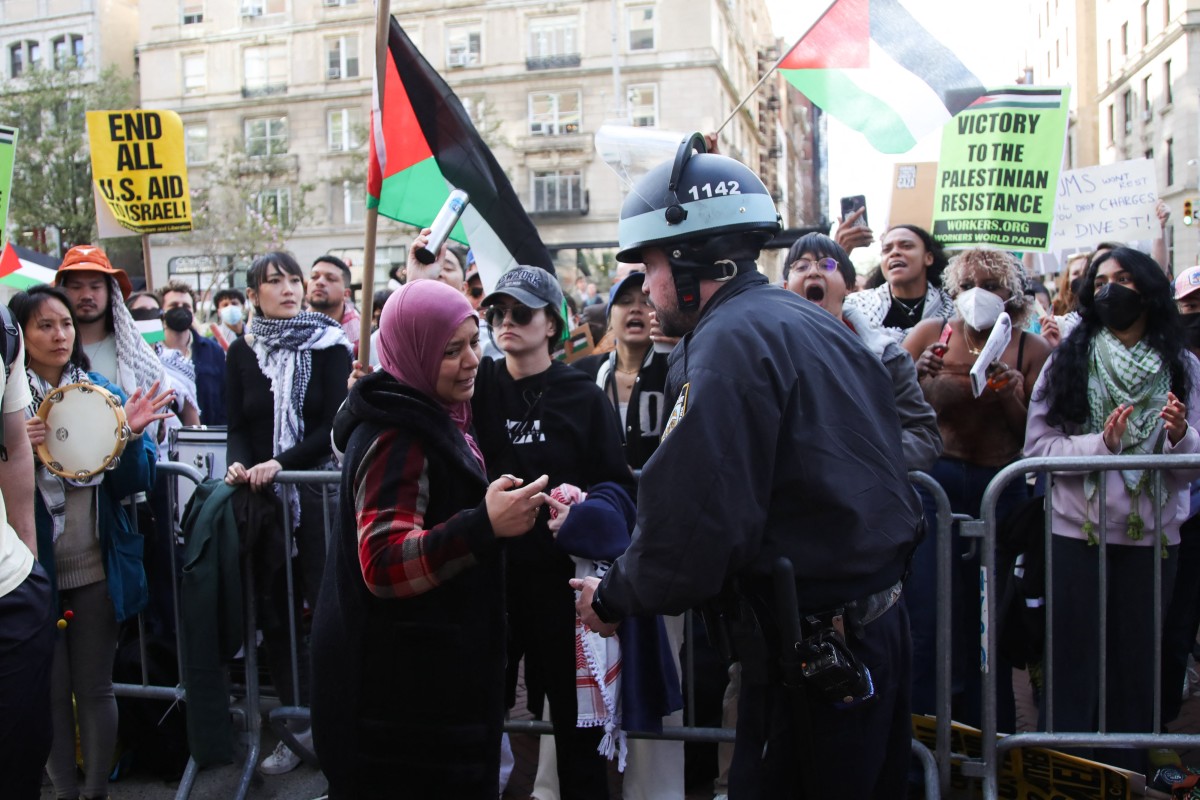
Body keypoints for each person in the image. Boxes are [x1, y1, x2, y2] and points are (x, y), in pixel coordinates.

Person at [573, 136, 921, 798]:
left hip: (816, 652)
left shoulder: (726, 344)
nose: (644, 289)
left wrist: (616, 595)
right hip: (866, 633)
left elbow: (697, 514)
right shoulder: (802, 321)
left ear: (690, 257)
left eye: (648, 266)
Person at [312, 280, 549, 799]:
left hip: (420, 700)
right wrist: (484, 525)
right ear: (415, 350)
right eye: (450, 350)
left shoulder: (428, 414)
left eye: (472, 341)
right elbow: (384, 562)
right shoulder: (399, 435)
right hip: (402, 714)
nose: (471, 360)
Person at [471, 266, 646, 800]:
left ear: (552, 324)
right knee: (478, 722)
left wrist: (583, 513)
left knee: (577, 734)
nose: (507, 322)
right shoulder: (475, 389)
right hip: (491, 583)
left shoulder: (581, 395)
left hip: (561, 588)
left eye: (522, 312)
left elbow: (617, 487)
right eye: (498, 312)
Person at [1025, 247, 1200, 775]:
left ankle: (1128, 763)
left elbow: (1195, 456)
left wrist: (1178, 437)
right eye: (1100, 281)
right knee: (1074, 654)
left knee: (1138, 655)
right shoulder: (1068, 359)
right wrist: (1100, 445)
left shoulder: (1184, 365)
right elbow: (1037, 450)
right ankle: (1071, 763)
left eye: (1123, 278)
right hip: (1077, 533)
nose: (1111, 289)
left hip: (1153, 537)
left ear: (1147, 289)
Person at [12, 285, 172, 800]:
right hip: (33, 573)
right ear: (20, 335)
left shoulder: (100, 389)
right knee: (51, 696)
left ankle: (97, 792)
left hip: (97, 566)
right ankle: (64, 792)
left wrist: (129, 436)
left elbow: (133, 484)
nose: (60, 334)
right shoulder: (10, 408)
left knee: (95, 688)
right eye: (44, 325)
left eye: (65, 324)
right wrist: (18, 449)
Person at [903, 249, 1051, 729]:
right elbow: (894, 409)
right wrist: (919, 376)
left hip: (1000, 488)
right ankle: (926, 731)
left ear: (1010, 294)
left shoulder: (1030, 349)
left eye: (989, 284)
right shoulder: (929, 336)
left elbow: (1036, 437)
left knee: (990, 621)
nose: (977, 294)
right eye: (967, 284)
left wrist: (1011, 393)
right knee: (929, 611)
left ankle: (991, 733)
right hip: (935, 485)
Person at [224, 251, 352, 775]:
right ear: (253, 294)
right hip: (263, 499)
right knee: (276, 614)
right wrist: (238, 462)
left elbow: (332, 427)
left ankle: (334, 730)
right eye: (273, 281)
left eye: (292, 279)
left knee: (326, 613)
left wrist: (283, 463)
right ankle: (292, 731)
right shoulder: (241, 351)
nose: (288, 288)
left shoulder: (330, 344)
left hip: (315, 492)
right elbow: (235, 420)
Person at [784, 233, 941, 472]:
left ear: (848, 287)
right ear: (785, 287)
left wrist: (862, 457)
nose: (813, 272)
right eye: (801, 266)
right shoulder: (767, 354)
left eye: (827, 264)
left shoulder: (887, 358)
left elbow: (923, 437)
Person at [0, 314, 55, 800]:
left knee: (20, 764)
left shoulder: (3, 330)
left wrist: (29, 557)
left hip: (13, 591)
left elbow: (14, 446)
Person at [54, 245, 166, 419]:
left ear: (111, 292)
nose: (86, 295)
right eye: (76, 287)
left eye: (95, 287)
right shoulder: (47, 348)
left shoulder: (137, 355)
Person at [1162, 265, 1200, 725]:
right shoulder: (1169, 361)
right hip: (1179, 514)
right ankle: (1163, 723)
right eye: (1190, 306)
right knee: (1171, 627)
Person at [842, 224, 954, 344]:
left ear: (928, 258)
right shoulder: (856, 306)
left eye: (906, 246)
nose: (894, 252)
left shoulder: (952, 309)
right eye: (887, 249)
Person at [159, 279, 227, 426]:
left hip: (210, 439)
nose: (180, 309)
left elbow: (226, 400)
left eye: (186, 306)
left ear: (193, 311)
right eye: (173, 306)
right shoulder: (153, 352)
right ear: (162, 312)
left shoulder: (213, 351)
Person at [308, 255, 360, 357]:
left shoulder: (363, 338)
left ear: (346, 294)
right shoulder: (290, 328)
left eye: (330, 279)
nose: (319, 282)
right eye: (314, 277)